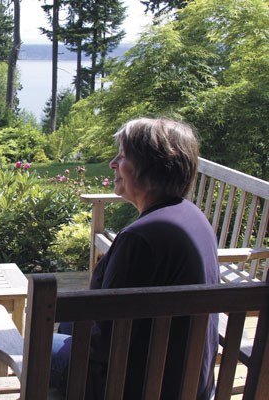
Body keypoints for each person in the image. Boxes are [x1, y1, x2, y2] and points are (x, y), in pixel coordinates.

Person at [50, 118, 219, 399]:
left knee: (35, 344)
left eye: (123, 156)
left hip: (133, 386)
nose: (113, 163)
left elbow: (105, 342)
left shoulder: (141, 239)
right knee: (67, 326)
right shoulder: (194, 218)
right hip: (187, 383)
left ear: (150, 166)